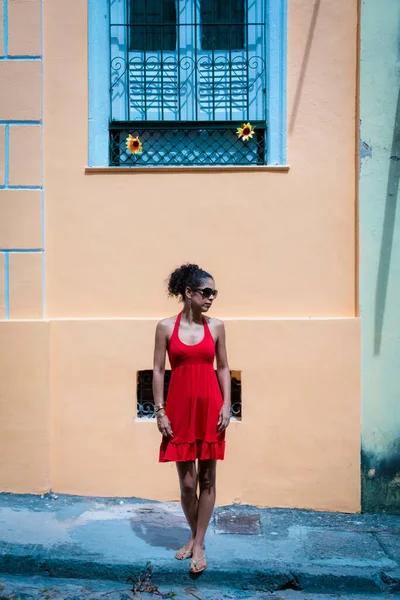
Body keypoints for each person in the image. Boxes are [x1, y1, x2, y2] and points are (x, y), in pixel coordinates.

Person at [152, 263, 231, 574]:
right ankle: (195, 535)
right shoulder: (165, 327)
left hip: (211, 407)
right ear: (188, 293)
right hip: (179, 410)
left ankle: (198, 543)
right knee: (188, 483)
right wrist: (159, 411)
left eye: (214, 293)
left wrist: (227, 405)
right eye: (206, 292)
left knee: (208, 479)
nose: (211, 298)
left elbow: (223, 367)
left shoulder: (218, 326)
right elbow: (158, 370)